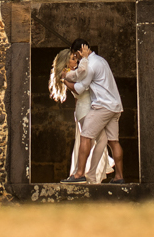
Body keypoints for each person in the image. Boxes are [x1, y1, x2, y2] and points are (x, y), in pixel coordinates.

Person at [58, 38, 125, 184]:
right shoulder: (101, 60)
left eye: (75, 56)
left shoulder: (90, 65)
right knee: (113, 142)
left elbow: (79, 88)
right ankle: (119, 177)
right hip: (115, 106)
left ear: (79, 52)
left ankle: (79, 174)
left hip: (103, 105)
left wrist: (65, 79)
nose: (77, 59)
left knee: (85, 137)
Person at [49, 48, 114, 183]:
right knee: (98, 140)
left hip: (84, 110)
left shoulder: (72, 73)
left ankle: (84, 173)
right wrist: (85, 58)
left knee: (96, 141)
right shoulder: (67, 74)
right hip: (85, 111)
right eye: (73, 59)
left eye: (75, 58)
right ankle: (84, 173)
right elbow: (78, 90)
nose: (76, 61)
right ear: (66, 61)